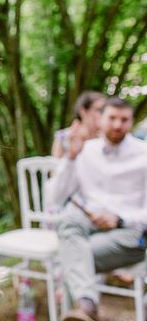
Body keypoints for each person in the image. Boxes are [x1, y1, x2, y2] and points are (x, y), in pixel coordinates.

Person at [46, 97, 147, 321]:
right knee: (66, 221)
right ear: (100, 120)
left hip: (130, 234)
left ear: (131, 122)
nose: (118, 125)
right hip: (87, 225)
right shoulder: (84, 150)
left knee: (73, 256)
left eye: (124, 119)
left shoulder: (144, 154)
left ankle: (85, 307)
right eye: (112, 118)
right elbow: (54, 199)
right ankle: (87, 307)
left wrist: (119, 219)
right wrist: (70, 158)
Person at [51, 91, 105, 158]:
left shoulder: (107, 137)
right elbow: (55, 167)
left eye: (105, 110)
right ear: (83, 111)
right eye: (99, 110)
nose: (104, 114)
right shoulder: (63, 137)